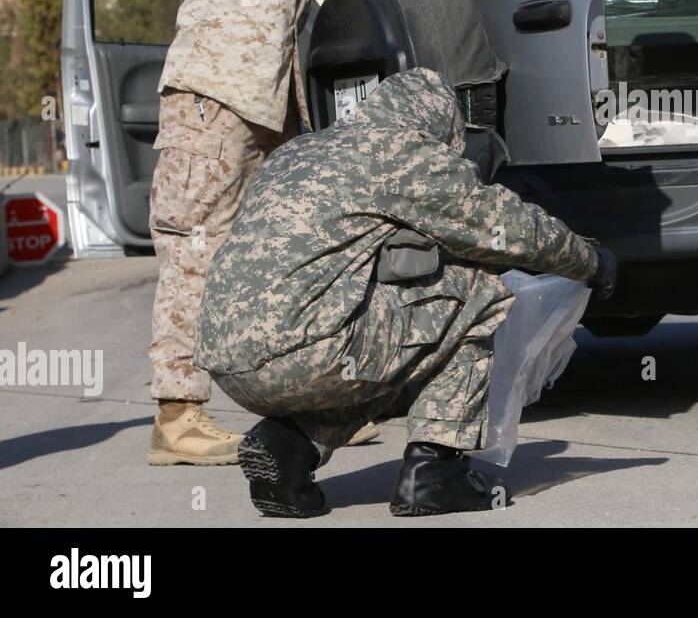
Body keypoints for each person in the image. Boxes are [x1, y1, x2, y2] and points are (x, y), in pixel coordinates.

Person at [146, 0, 459, 466]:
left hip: (280, 97)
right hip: (216, 94)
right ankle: (177, 414)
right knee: (195, 247)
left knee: (283, 255)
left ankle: (309, 403)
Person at [193, 68, 617, 517]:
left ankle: (289, 444)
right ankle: (435, 473)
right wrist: (590, 260)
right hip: (306, 351)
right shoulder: (400, 152)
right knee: (477, 291)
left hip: (226, 362)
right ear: (436, 123)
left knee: (388, 340)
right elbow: (504, 226)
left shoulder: (298, 151)